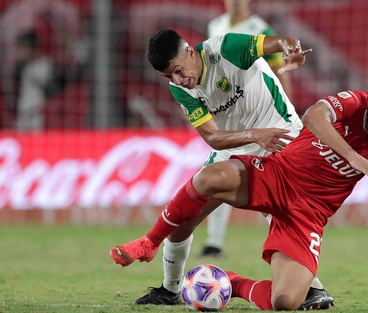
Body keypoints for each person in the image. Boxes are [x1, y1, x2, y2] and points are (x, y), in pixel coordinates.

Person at [110, 80, 368, 310]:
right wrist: (355, 157)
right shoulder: (354, 102)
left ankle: (232, 281)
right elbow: (313, 115)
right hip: (279, 175)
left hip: (309, 213)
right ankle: (150, 241)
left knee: (286, 302)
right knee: (211, 176)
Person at [110, 28, 335, 310]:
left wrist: (290, 48)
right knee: (182, 220)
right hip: (234, 147)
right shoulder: (181, 88)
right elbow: (213, 138)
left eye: (178, 70)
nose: (178, 80)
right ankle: (170, 289)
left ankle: (314, 288)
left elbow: (281, 41)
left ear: (190, 51)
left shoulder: (228, 48)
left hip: (283, 139)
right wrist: (253, 135)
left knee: (284, 214)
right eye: (169, 77)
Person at [202, 0, 294, 259]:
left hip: (260, 110)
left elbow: (279, 68)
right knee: (219, 174)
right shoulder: (215, 25)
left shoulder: (259, 27)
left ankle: (289, 243)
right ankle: (214, 242)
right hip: (229, 114)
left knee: (273, 182)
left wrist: (285, 109)